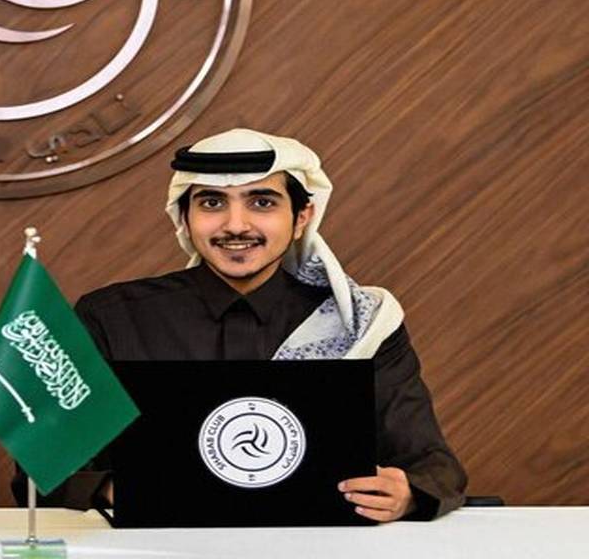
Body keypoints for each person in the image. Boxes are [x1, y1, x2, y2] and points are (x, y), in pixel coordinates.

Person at [46, 128, 467, 521]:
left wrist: (407, 493)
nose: (235, 225)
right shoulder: (112, 317)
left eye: (262, 202)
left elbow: (433, 466)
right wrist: (114, 490)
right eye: (212, 203)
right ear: (184, 218)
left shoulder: (359, 323)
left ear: (302, 217)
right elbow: (46, 467)